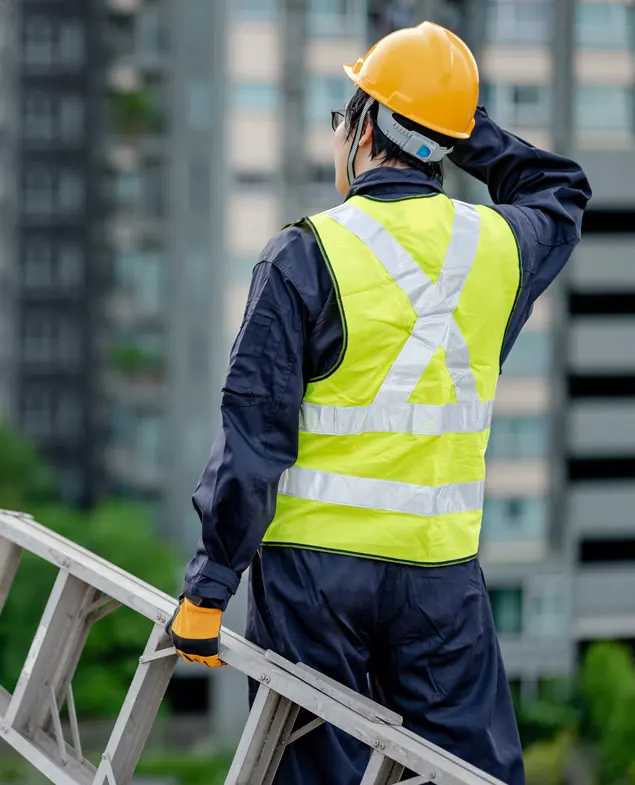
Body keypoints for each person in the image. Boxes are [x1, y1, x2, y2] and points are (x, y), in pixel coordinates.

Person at [167, 21, 591, 785]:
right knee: (467, 774)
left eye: (344, 116)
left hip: (313, 583)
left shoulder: (301, 254)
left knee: (318, 773)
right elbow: (559, 187)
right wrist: (457, 131)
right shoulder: (500, 246)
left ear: (366, 128)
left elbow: (252, 438)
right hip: (441, 580)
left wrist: (208, 585)